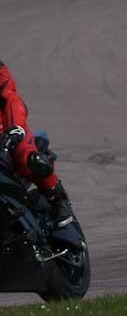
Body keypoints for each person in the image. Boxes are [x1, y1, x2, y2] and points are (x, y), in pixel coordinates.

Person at [0, 61, 73, 227]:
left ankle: (58, 200)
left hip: (7, 133)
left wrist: (15, 128)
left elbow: (10, 97)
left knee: (29, 159)